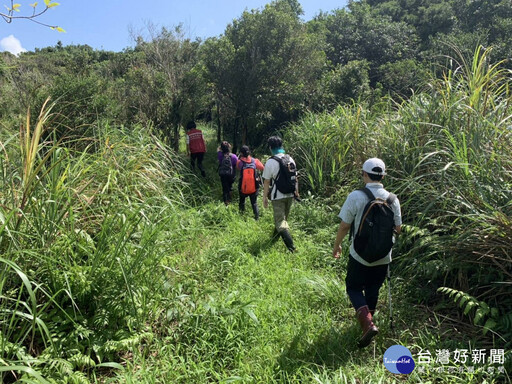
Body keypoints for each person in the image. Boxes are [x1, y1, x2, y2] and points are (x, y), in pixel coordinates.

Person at [332, 158, 402, 348]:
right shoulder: (393, 199)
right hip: (383, 257)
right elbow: (398, 227)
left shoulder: (356, 196)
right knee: (373, 288)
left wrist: (337, 245)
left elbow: (345, 225)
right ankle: (368, 323)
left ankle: (367, 324)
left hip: (359, 255)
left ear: (364, 174)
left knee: (353, 287)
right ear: (383, 176)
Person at [262, 136, 298, 252]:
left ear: (270, 147)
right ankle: (273, 239)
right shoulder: (290, 159)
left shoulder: (271, 161)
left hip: (278, 196)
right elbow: (295, 178)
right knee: (282, 220)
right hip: (290, 194)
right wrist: (296, 192)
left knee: (280, 222)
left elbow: (267, 181)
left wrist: (264, 198)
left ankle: (292, 248)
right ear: (281, 145)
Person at [236, 145, 265, 220]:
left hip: (243, 187)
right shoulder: (255, 161)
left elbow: (238, 168)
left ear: (241, 153)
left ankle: (241, 217)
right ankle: (257, 218)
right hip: (254, 187)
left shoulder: (239, 162)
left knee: (242, 202)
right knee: (254, 203)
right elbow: (262, 168)